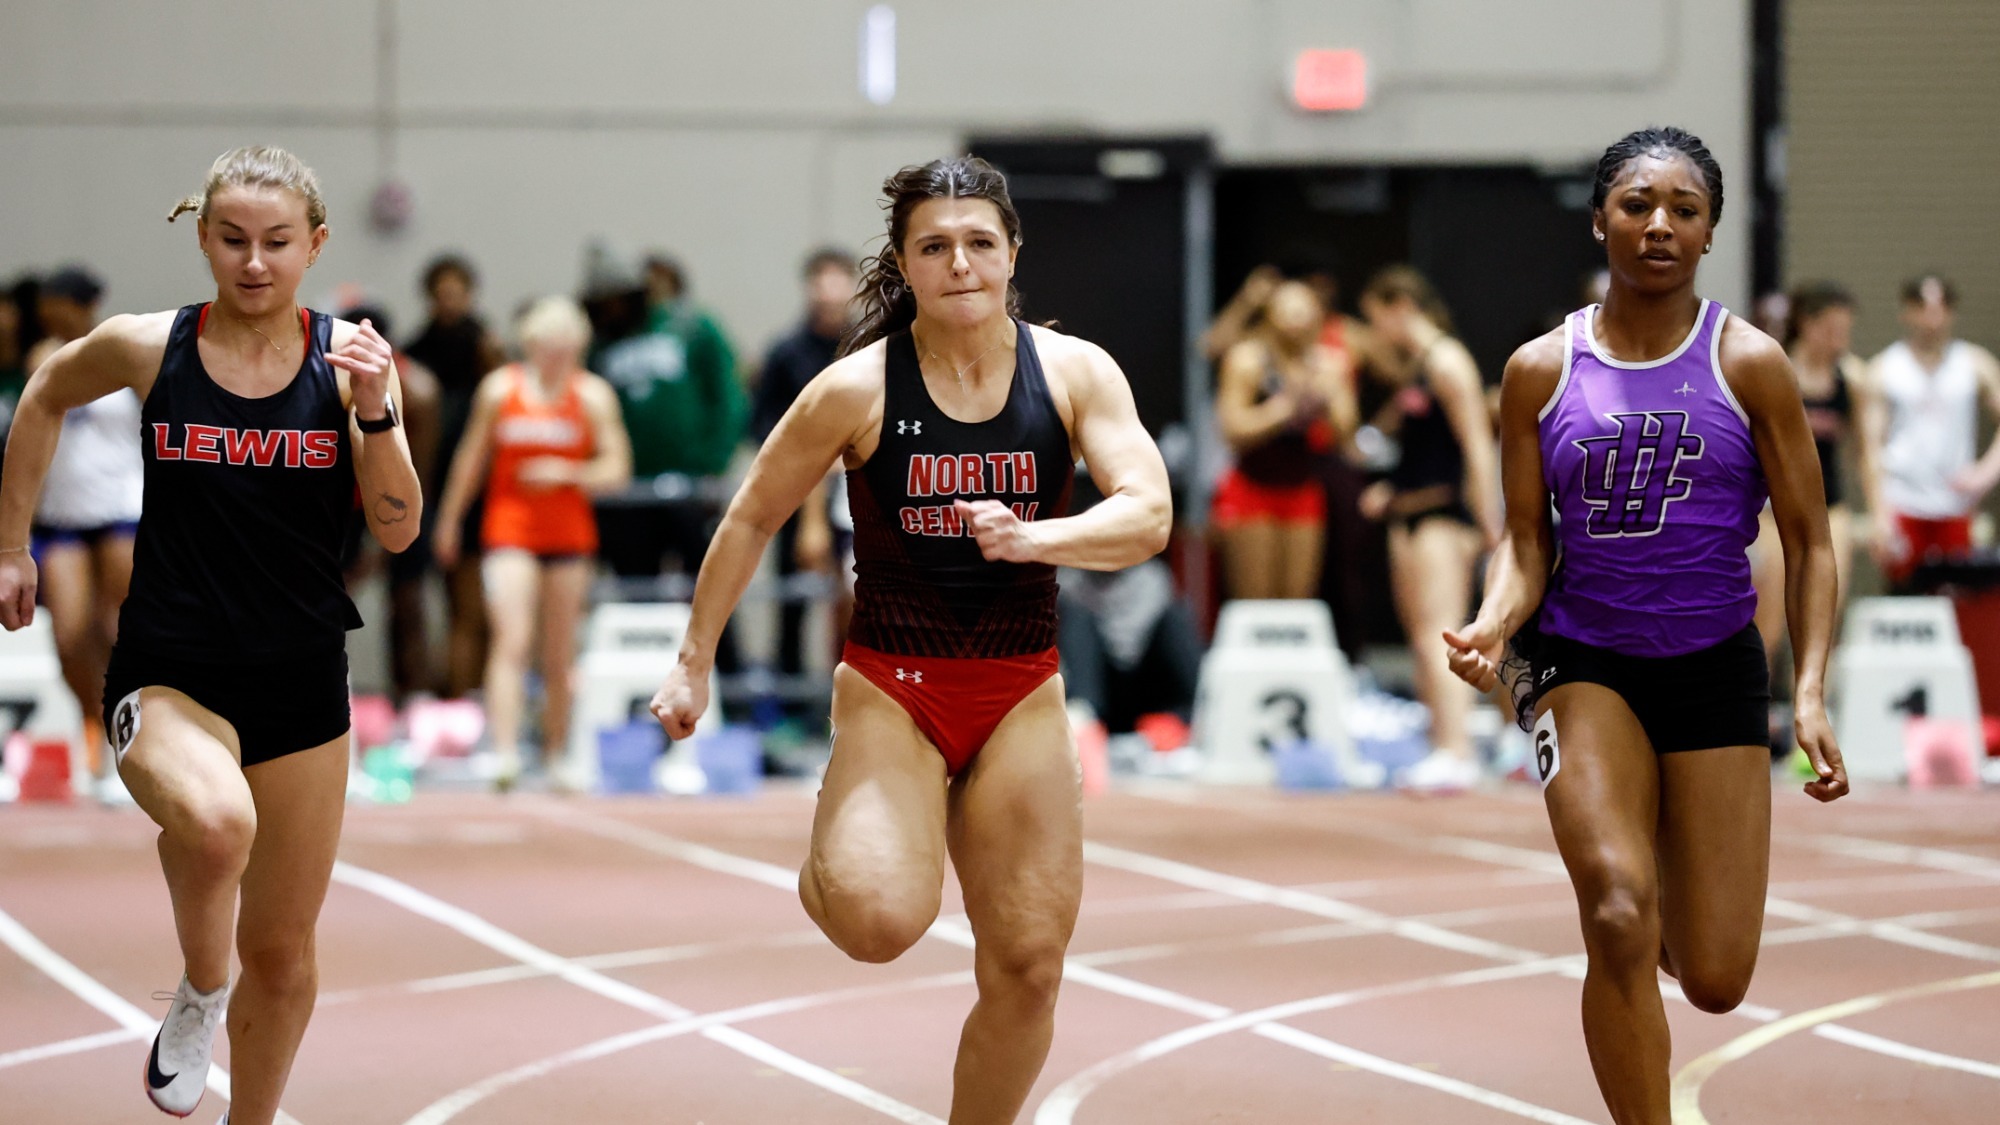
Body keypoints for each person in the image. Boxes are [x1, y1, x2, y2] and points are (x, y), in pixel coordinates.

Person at [650, 156, 1170, 1125]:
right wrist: (694, 662)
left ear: (1012, 255)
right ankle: (829, 863)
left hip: (1019, 690)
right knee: (880, 919)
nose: (960, 264)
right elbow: (751, 516)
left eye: (979, 243)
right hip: (894, 685)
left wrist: (1034, 538)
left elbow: (1147, 515)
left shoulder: (1072, 374)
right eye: (934, 247)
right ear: (904, 262)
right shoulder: (853, 390)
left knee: (1026, 968)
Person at [0, 146, 420, 1125]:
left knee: (282, 956)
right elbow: (47, 393)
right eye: (232, 241)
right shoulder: (153, 347)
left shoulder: (346, 361)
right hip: (169, 672)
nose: (254, 263)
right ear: (204, 239)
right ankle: (197, 989)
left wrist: (376, 409)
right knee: (218, 824)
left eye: (277, 243)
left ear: (314, 245)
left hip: (303, 682)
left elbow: (398, 527)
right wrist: (13, 545)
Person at [1444, 126, 1848, 1125]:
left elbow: (1810, 540)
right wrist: (1493, 624)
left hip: (1712, 666)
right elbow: (1525, 545)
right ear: (1598, 219)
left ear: (1709, 232)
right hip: (1578, 662)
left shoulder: (1749, 365)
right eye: (1635, 204)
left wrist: (1804, 692)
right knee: (1617, 912)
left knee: (1712, 977)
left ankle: (1669, 860)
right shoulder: (1539, 371)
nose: (1657, 225)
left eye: (1683, 209)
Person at [434, 297, 631, 791]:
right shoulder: (501, 389)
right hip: (509, 533)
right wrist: (449, 521)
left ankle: (556, 752)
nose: (558, 359)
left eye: (567, 350)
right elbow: (471, 459)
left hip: (569, 537)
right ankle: (502, 752)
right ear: (532, 345)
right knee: (512, 639)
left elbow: (618, 468)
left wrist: (567, 471)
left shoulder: (593, 396)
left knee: (560, 650)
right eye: (549, 348)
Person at [1357, 265, 1500, 792]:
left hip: (1445, 518)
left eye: (1376, 320)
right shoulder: (1415, 368)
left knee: (1443, 632)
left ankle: (1457, 749)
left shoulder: (1448, 361)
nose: (1375, 334)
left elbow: (1477, 445)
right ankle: (1439, 742)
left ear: (1400, 308)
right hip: (1411, 515)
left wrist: (1489, 522)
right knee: (1421, 637)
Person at [22, 266, 143, 803]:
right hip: (62, 516)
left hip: (119, 510)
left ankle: (136, 743)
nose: (50, 315)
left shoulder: (125, 354)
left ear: (84, 306)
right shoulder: (42, 358)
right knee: (70, 635)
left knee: (117, 628)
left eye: (59, 305)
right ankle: (98, 728)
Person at [595, 250, 747, 579]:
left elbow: (729, 397)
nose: (613, 309)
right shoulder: (601, 345)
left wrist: (713, 464)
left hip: (690, 485)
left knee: (708, 581)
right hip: (629, 492)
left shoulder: (693, 327)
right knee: (636, 584)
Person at [1210, 272, 1356, 600]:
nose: (1297, 318)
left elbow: (1345, 435)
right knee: (1255, 601)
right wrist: (1285, 408)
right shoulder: (1248, 359)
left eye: (1304, 309)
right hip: (1251, 487)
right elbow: (1232, 429)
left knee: (1296, 602)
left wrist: (1331, 395)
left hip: (1302, 488)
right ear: (1271, 314)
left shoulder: (1328, 363)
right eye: (1288, 308)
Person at [1750, 282, 1870, 664]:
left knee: (1825, 616)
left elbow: (1864, 452)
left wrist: (1880, 510)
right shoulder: (1777, 371)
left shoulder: (1851, 379)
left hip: (1829, 508)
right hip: (1773, 511)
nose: (1839, 340)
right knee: (1768, 615)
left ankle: (1815, 705)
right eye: (1833, 330)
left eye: (1845, 331)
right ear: (1808, 324)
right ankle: (1762, 707)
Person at [756, 248, 859, 686]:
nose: (829, 292)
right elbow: (764, 424)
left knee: (856, 596)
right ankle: (788, 689)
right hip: (798, 489)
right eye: (821, 281)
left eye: (838, 280)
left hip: (859, 484)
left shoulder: (871, 344)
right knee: (793, 594)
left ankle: (856, 685)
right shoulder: (786, 353)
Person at [1858, 274, 2000, 591]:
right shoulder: (1885, 369)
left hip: (1954, 504)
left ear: (1951, 313)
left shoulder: (1974, 365)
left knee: (1955, 601)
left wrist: (1985, 473)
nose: (1931, 320)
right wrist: (1879, 513)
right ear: (1906, 312)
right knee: (1905, 597)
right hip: (1903, 503)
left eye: (1939, 309)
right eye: (1922, 308)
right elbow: (1870, 448)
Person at [403, 255, 504, 696]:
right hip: (427, 486)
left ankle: (470, 696)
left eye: (457, 294)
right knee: (425, 605)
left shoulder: (488, 351)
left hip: (484, 493)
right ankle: (436, 698)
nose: (450, 303)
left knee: (476, 608)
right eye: (442, 295)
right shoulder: (416, 351)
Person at [336, 302, 441, 702]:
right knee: (332, 598)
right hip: (345, 504)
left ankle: (413, 697)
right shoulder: (330, 374)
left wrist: (386, 544)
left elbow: (422, 472)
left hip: (398, 500)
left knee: (408, 603)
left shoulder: (418, 388)